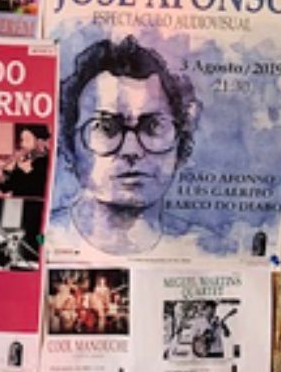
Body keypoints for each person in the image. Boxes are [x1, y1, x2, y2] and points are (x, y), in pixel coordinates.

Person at [58, 36, 200, 256]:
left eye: (153, 126)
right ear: (69, 145)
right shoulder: (48, 236)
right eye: (106, 127)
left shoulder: (203, 247)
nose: (131, 150)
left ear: (180, 141)